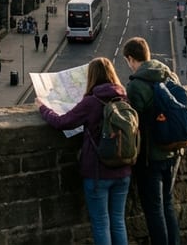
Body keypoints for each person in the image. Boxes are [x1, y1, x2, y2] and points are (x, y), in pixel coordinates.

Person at [37, 57, 131, 245]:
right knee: (118, 222)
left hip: (97, 172)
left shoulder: (91, 102)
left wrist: (43, 108)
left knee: (101, 223)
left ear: (92, 76)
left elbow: (62, 122)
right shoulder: (124, 97)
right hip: (123, 170)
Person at [123, 37, 182, 245]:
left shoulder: (136, 85)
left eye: (127, 61)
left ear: (131, 59)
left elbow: (133, 125)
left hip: (151, 156)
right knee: (167, 203)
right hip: (174, 151)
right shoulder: (169, 74)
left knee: (154, 209)